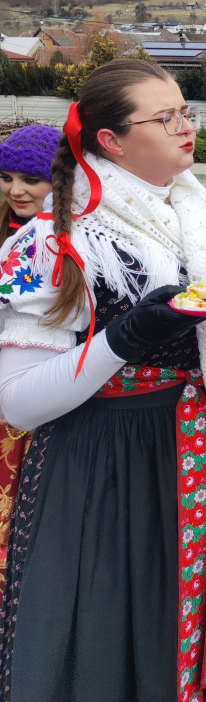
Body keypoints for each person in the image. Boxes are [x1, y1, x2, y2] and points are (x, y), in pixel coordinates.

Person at [0, 60, 206, 700]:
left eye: (186, 112)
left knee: (187, 613)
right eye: (165, 118)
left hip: (195, 452)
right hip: (107, 464)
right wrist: (122, 339)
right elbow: (18, 403)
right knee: (111, 630)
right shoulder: (54, 241)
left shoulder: (192, 213)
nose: (186, 127)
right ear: (111, 141)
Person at [0, 124, 61, 601]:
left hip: (43, 383)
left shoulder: (65, 235)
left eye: (31, 179)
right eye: (6, 177)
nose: (15, 190)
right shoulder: (8, 228)